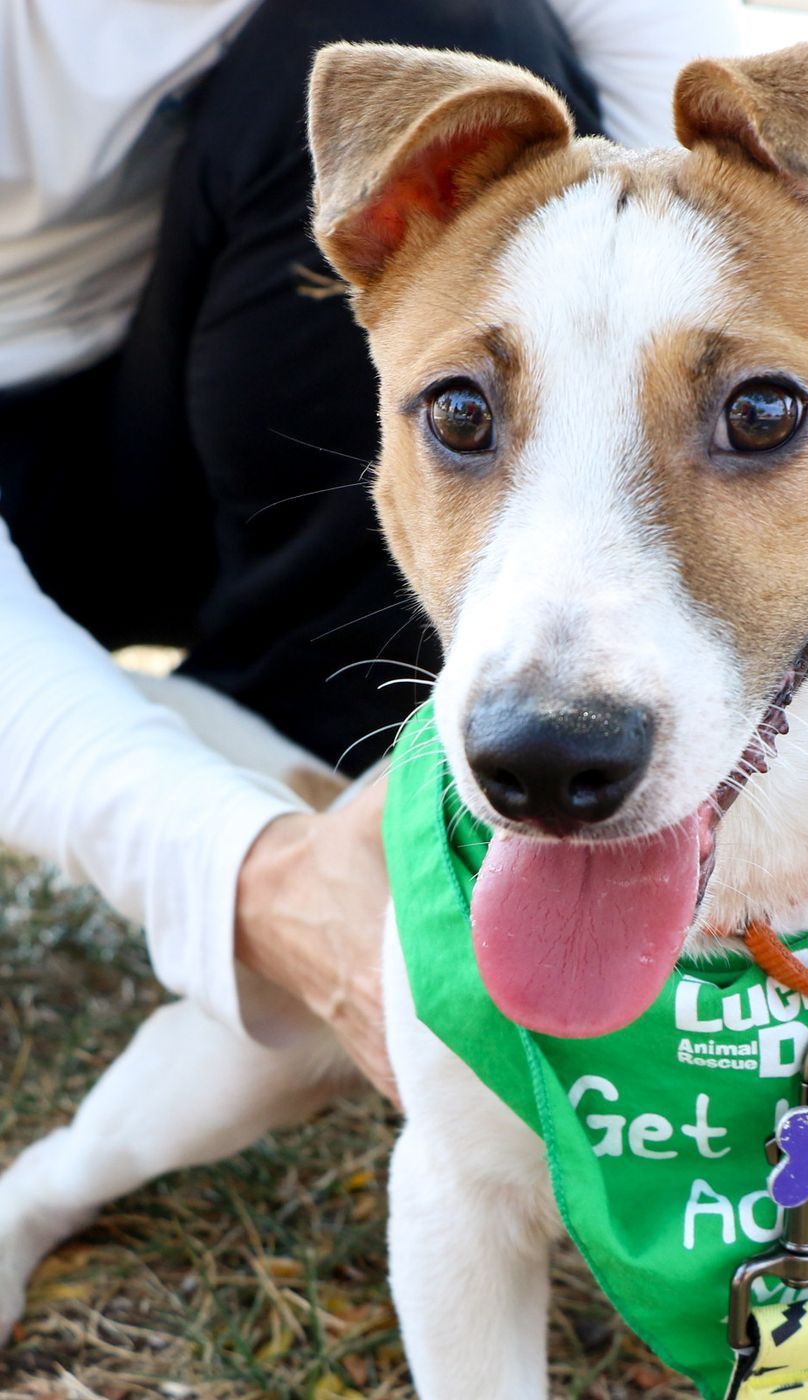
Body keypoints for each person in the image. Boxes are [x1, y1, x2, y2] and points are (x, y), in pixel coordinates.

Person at [0, 0, 741, 1099]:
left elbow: (782, 278)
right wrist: (244, 873)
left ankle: (333, 760)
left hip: (218, 375)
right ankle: (303, 870)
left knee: (442, 18)